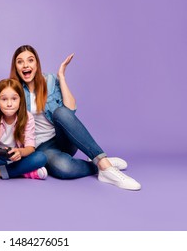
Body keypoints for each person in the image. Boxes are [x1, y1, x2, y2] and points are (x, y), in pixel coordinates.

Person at [9, 45, 141, 190]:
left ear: (37, 63)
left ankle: (105, 165)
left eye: (30, 60)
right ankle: (97, 166)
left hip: (63, 138)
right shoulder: (13, 91)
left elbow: (71, 110)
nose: (26, 65)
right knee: (64, 168)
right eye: (20, 61)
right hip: (41, 148)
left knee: (61, 112)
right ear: (16, 66)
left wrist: (62, 77)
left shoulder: (50, 80)